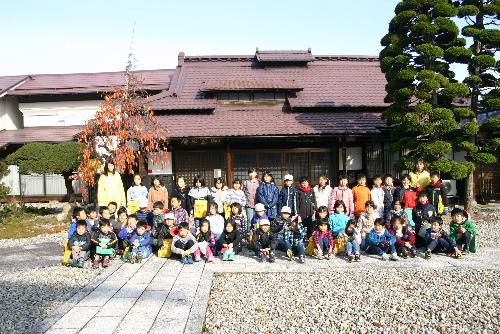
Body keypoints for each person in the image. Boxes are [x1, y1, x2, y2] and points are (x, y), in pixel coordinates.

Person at [243, 168, 260, 235]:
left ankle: (257, 233)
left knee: (257, 220)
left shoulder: (259, 182)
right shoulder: (246, 182)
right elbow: (242, 192)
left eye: (253, 172)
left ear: (256, 173)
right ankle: (249, 234)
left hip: (257, 204)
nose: (251, 174)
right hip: (249, 204)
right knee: (249, 219)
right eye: (250, 173)